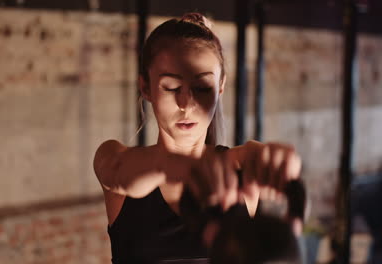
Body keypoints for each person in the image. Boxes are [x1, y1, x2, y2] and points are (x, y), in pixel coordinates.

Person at [93, 13, 302, 264]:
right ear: (146, 87)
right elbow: (117, 169)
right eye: (171, 87)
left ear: (220, 86)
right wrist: (179, 166)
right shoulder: (115, 158)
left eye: (202, 87)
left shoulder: (241, 164)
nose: (186, 103)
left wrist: (282, 166)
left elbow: (259, 158)